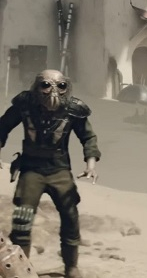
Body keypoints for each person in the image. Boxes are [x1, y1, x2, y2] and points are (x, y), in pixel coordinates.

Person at [0, 70, 100, 278]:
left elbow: (88, 137)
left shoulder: (73, 110)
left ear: (66, 87)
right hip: (31, 171)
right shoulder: (25, 105)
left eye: (60, 86)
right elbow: (2, 126)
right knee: (22, 220)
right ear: (37, 87)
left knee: (70, 217)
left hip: (59, 171)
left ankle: (71, 267)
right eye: (46, 85)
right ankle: (21, 270)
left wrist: (91, 164)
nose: (53, 91)